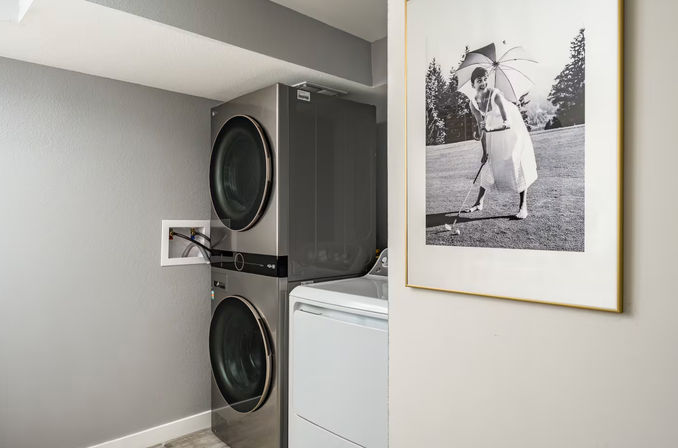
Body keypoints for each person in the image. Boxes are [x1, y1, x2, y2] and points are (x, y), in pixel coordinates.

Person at [466, 67, 538, 219]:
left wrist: (489, 129)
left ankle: (523, 207)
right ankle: (479, 202)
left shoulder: (496, 95)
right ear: (473, 84)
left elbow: (507, 123)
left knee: (515, 162)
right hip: (493, 130)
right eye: (479, 81)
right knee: (488, 164)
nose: (483, 83)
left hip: (512, 130)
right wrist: (484, 150)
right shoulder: (473, 103)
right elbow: (481, 126)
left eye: (485, 79)